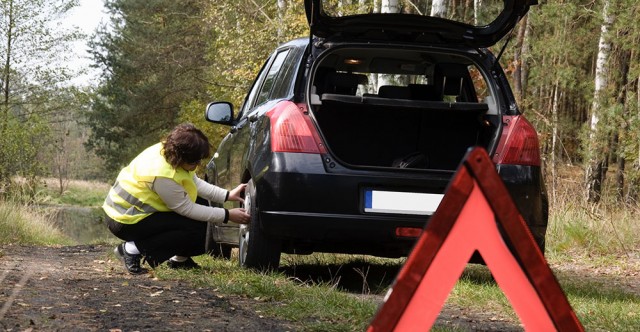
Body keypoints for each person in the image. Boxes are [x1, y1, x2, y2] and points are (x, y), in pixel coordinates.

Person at [103, 123, 250, 274]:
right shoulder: (163, 175)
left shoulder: (168, 151)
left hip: (129, 213)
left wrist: (227, 195)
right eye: (195, 161)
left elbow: (194, 181)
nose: (198, 164)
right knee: (195, 227)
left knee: (203, 211)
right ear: (181, 157)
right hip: (124, 220)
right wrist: (227, 215)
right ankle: (131, 249)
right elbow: (186, 209)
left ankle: (179, 260)